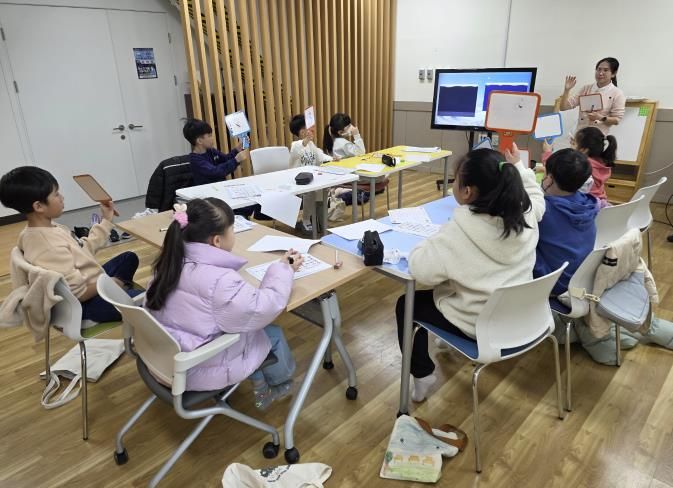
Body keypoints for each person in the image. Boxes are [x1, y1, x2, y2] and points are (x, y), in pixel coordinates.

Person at [395, 143, 545, 402]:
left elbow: (420, 270)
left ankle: (422, 373)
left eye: (455, 180)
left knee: (406, 304)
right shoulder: (525, 214)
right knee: (454, 284)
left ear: (467, 192)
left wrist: (434, 237)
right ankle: (439, 348)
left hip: (481, 325)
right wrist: (520, 167)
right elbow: (537, 197)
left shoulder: (459, 231)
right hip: (522, 318)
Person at [144, 198, 302, 409]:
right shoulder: (221, 282)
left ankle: (259, 382)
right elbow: (264, 307)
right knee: (271, 334)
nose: (234, 234)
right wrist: (284, 269)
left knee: (239, 330)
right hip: (194, 369)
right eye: (233, 229)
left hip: (161, 358)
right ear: (217, 241)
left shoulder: (169, 261)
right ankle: (277, 386)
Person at [0, 166, 140, 322]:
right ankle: (118, 299)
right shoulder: (47, 246)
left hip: (88, 281)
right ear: (38, 206)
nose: (62, 197)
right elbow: (78, 294)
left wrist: (106, 221)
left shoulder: (47, 228)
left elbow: (82, 250)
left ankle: (121, 292)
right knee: (152, 302)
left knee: (129, 258)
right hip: (82, 307)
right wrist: (113, 283)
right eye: (56, 194)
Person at [534, 148, 598, 295]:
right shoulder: (588, 204)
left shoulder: (543, 210)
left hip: (550, 283)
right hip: (577, 279)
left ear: (549, 178)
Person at [289, 114, 333, 233]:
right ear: (301, 131)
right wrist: (306, 140)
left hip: (311, 178)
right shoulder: (295, 145)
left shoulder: (311, 145)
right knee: (310, 193)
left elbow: (320, 156)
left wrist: (332, 158)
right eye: (306, 128)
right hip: (298, 180)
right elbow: (297, 150)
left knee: (322, 190)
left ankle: (318, 218)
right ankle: (306, 220)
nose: (310, 130)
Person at [560, 57, 626, 135]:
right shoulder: (586, 89)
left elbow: (616, 120)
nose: (600, 73)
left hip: (597, 137)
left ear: (613, 74)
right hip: (579, 135)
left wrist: (600, 118)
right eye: (599, 69)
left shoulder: (617, 93)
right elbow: (563, 107)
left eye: (605, 70)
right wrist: (567, 90)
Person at [183, 119, 249, 185]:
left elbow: (225, 159)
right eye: (209, 136)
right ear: (199, 141)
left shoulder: (211, 151)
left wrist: (237, 149)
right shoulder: (195, 160)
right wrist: (236, 160)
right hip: (208, 190)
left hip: (220, 186)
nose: (212, 138)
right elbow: (215, 172)